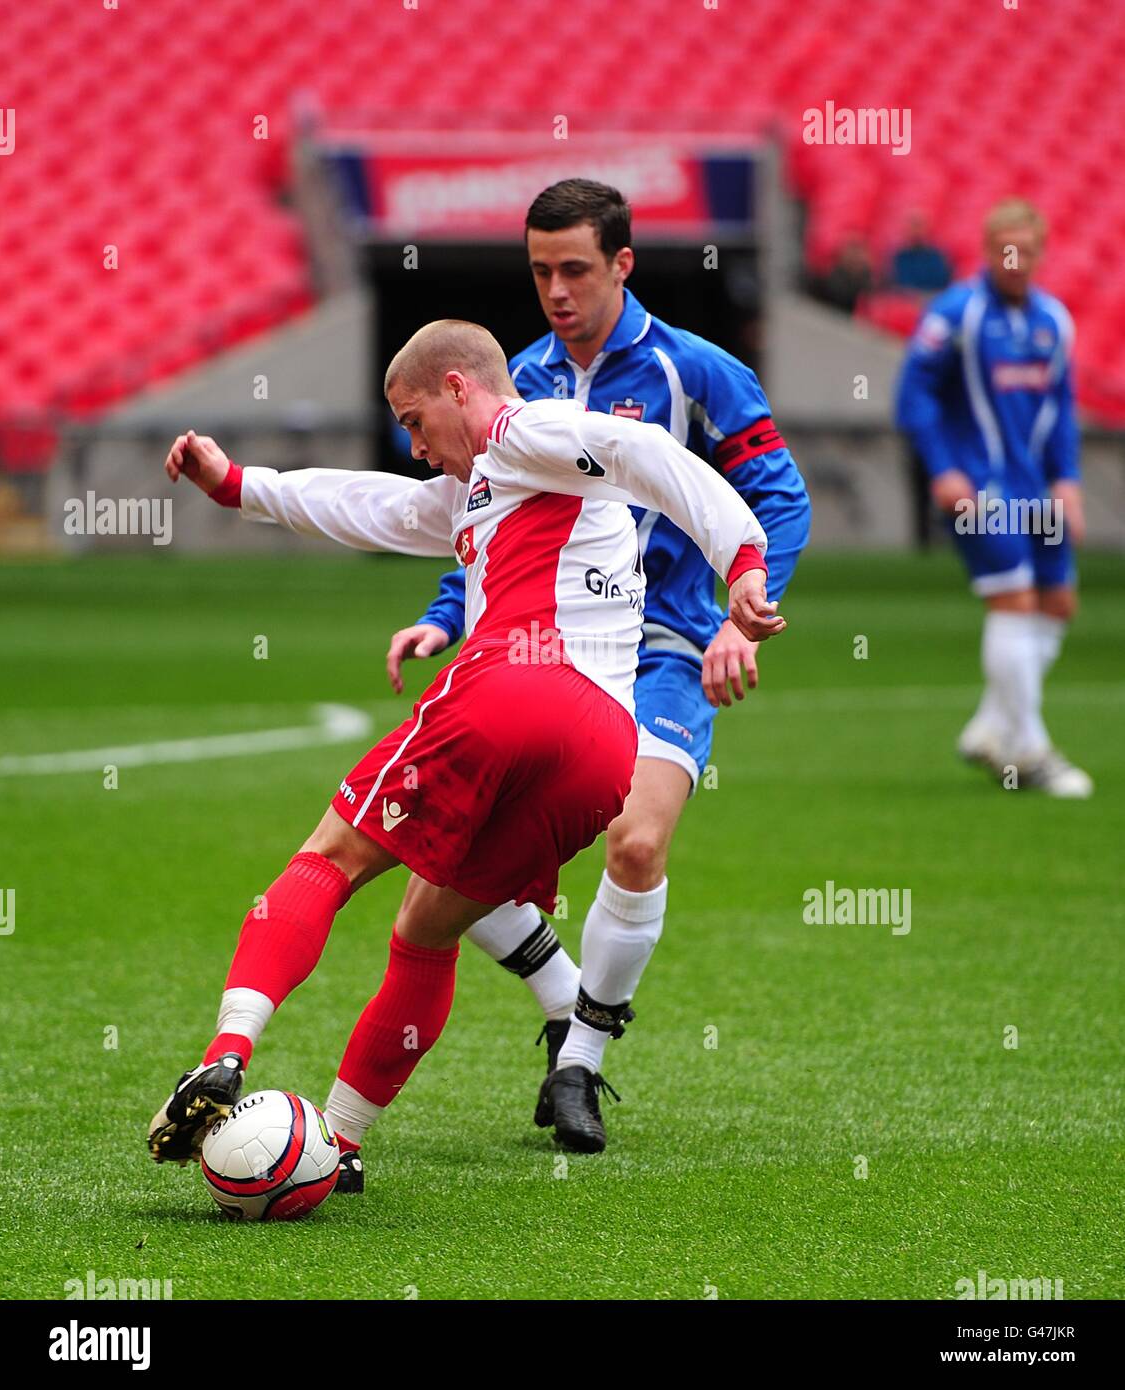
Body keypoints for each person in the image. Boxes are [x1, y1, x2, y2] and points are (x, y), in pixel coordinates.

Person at [147, 319, 786, 1180]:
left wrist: (741, 557)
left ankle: (225, 1050)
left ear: (459, 388)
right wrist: (239, 486)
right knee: (424, 926)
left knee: (329, 860)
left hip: (512, 687)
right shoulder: (481, 487)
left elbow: (638, 446)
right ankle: (338, 1144)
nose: (414, 446)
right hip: (601, 753)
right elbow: (364, 503)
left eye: (415, 421)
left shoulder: (519, 430)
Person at [386, 180, 810, 1156]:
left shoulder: (696, 370)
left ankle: (577, 1058)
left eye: (575, 268)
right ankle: (557, 990)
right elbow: (475, 520)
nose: (555, 290)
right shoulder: (511, 377)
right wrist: (444, 616)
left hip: (663, 641)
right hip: (540, 654)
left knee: (635, 844)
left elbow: (775, 496)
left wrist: (742, 609)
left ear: (622, 264)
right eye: (539, 270)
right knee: (444, 852)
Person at [895, 198, 1091, 797]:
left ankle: (990, 726)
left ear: (1039, 253)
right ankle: (1029, 749)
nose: (1014, 260)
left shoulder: (1053, 322)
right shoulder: (955, 314)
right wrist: (943, 468)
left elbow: (1060, 410)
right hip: (980, 488)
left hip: (1038, 489)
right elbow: (913, 395)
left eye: (1025, 250)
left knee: (1057, 604)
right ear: (986, 251)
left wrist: (1069, 479)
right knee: (1013, 598)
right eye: (1003, 248)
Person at [890, 212, 952, 295]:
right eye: (913, 227)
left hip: (932, 296)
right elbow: (900, 283)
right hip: (908, 299)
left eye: (918, 227)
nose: (916, 232)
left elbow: (942, 280)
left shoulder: (936, 256)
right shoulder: (900, 257)